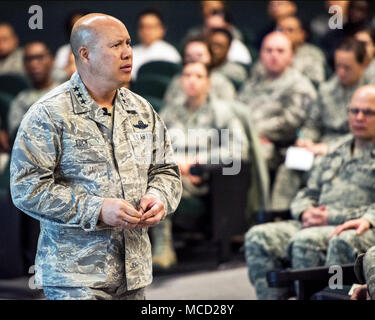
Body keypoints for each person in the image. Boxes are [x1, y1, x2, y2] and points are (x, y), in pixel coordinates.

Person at [10, 13, 182, 300]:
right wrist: (97, 209)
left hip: (133, 274)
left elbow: (166, 170)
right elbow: (26, 188)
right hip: (76, 277)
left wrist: (159, 197)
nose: (128, 52)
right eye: (116, 45)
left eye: (128, 43)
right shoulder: (49, 114)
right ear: (85, 54)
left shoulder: (141, 109)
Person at [245, 85, 375, 300]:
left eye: (368, 112)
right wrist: (305, 212)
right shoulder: (335, 148)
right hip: (316, 221)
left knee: (308, 240)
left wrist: (332, 217)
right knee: (258, 237)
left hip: (355, 225)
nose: (359, 117)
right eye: (354, 111)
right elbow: (309, 191)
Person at [156, 61, 249, 270]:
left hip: (207, 178)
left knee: (162, 182)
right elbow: (156, 146)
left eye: (198, 76)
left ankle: (163, 246)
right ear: (180, 81)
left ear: (208, 82)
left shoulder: (222, 111)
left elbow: (238, 149)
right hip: (175, 172)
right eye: (187, 75)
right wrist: (176, 164)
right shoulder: (170, 112)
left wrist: (200, 163)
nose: (192, 81)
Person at [272, 37, 371, 210]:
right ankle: (278, 215)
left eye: (347, 67)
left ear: (363, 65)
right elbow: (312, 124)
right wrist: (306, 140)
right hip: (320, 146)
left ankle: (319, 214)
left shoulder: (371, 94)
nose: (340, 72)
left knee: (319, 167)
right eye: (337, 66)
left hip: (356, 147)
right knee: (288, 168)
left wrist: (328, 147)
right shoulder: (326, 90)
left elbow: (366, 131)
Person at [238, 31, 317, 176]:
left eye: (280, 51)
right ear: (261, 54)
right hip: (244, 138)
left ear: (291, 56)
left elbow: (290, 123)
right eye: (269, 50)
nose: (274, 55)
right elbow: (238, 109)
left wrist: (254, 132)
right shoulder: (254, 82)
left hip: (277, 147)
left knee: (244, 156)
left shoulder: (299, 85)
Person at [8, 41, 58, 144]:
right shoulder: (20, 100)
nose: (34, 64)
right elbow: (16, 136)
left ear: (52, 60)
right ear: (24, 64)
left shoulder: (65, 92)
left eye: (39, 57)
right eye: (29, 59)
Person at [163, 36, 236, 106]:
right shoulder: (177, 81)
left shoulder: (222, 83)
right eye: (189, 56)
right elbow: (168, 107)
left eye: (199, 55)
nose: (194, 60)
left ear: (210, 57)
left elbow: (228, 110)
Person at [131, 8, 181, 80]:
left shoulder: (170, 52)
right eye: (142, 27)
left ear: (162, 30)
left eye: (150, 27)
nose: (146, 31)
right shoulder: (131, 52)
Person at [277, 15, 326, 84]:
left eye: (290, 30)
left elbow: (316, 83)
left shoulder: (312, 54)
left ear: (301, 35)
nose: (283, 33)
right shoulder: (270, 51)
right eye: (279, 30)